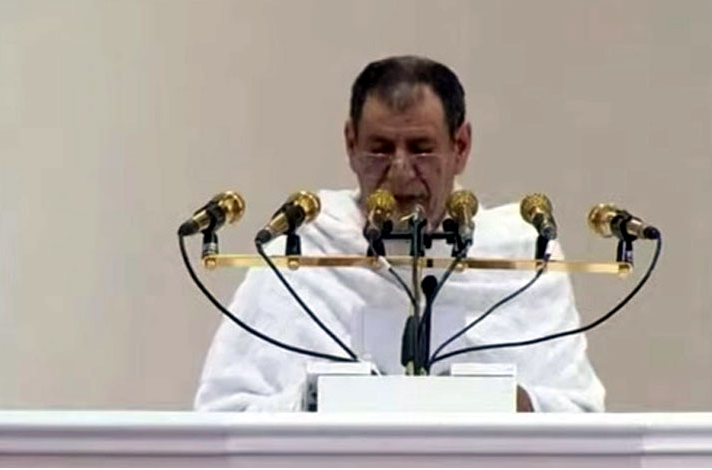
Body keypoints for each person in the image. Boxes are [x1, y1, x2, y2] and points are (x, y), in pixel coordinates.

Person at [194, 55, 605, 412]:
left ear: (460, 146)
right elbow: (225, 412)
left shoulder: (519, 255)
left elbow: (578, 412)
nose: (400, 170)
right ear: (350, 144)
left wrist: (499, 401)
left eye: (421, 148)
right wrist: (320, 399)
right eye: (380, 149)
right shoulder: (302, 250)